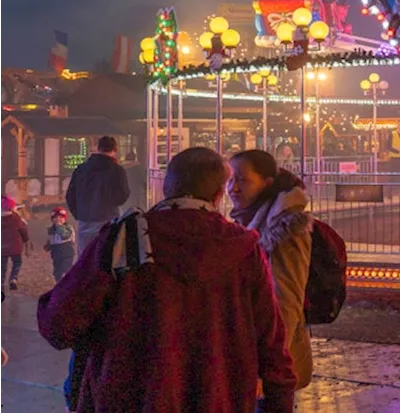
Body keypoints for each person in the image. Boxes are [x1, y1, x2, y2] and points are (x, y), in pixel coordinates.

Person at [38, 147, 296, 413]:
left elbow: (58, 324)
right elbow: (272, 344)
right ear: (218, 195)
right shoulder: (243, 249)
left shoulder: (122, 238)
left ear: (165, 187)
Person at [228, 150, 314, 391]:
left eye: (242, 180)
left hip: (272, 359)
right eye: (230, 180)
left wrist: (271, 364)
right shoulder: (251, 219)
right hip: (256, 349)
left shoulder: (285, 228)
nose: (233, 188)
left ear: (266, 183)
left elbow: (286, 299)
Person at [65, 135, 131, 257]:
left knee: (85, 258)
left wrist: (79, 214)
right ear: (115, 150)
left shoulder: (81, 169)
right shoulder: (118, 171)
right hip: (108, 218)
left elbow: (70, 195)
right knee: (107, 257)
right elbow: (123, 196)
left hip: (85, 219)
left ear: (98, 148)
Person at [0, 195, 30, 298]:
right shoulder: (16, 218)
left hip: (1, 248)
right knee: (17, 262)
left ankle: (1, 283)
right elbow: (23, 230)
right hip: (15, 247)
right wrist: (26, 241)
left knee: (2, 266)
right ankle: (13, 279)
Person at [45, 206, 76, 282]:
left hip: (67, 251)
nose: (58, 219)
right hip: (56, 252)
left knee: (66, 269)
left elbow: (65, 236)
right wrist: (48, 246)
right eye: (55, 218)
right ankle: (58, 283)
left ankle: (68, 283)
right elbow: (51, 239)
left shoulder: (68, 227)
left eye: (60, 217)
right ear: (52, 219)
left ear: (65, 219)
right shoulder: (52, 229)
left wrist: (59, 227)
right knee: (57, 271)